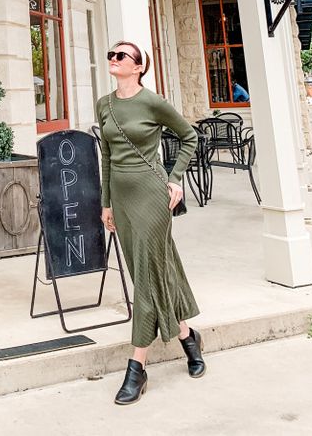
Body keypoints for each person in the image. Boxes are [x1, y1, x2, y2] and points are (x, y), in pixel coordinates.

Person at [96, 41, 205, 405]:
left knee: (145, 274)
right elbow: (107, 156)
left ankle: (137, 367)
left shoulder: (152, 102)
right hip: (123, 201)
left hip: (153, 195)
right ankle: (188, 336)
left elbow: (190, 136)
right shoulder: (104, 104)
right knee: (158, 268)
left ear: (138, 66)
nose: (113, 59)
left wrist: (175, 179)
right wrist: (106, 203)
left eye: (120, 56)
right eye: (111, 55)